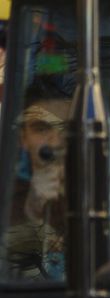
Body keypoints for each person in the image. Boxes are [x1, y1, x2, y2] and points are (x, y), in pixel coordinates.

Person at [8, 85, 69, 278]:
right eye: (42, 128)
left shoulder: (102, 193)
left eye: (65, 128)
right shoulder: (6, 197)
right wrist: (32, 212)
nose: (55, 141)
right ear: (22, 138)